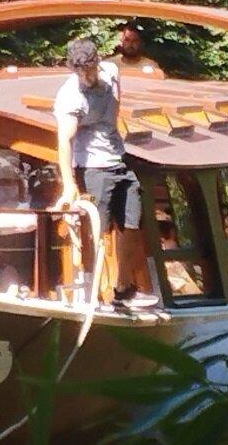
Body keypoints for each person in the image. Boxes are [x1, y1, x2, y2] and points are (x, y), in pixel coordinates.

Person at [53, 38, 157, 307]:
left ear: (97, 63)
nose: (85, 77)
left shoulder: (111, 73)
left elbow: (116, 104)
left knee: (130, 222)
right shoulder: (71, 96)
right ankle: (89, 293)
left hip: (118, 160)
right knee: (95, 230)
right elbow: (64, 140)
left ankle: (123, 288)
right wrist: (68, 184)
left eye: (88, 70)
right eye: (79, 71)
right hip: (91, 168)